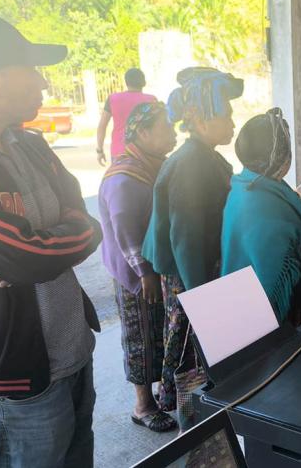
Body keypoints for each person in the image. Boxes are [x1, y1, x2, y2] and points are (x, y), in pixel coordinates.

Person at [0, 13, 102, 466]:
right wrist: (37, 247)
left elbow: (88, 222)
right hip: (15, 387)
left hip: (74, 356)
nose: (41, 82)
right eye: (29, 68)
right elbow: (25, 257)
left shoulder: (32, 146)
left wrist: (39, 246)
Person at [142, 67, 242, 427]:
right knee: (191, 358)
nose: (231, 122)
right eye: (226, 114)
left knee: (198, 358)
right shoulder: (190, 164)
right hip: (190, 277)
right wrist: (203, 299)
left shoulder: (204, 155)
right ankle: (196, 433)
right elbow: (186, 238)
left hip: (195, 273)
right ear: (200, 117)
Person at [221, 108, 301, 324]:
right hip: (265, 317)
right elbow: (278, 274)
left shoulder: (250, 183)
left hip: (250, 302)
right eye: (286, 149)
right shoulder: (260, 205)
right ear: (278, 156)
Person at [98, 102, 177, 432]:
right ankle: (143, 406)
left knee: (159, 331)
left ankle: (161, 393)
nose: (172, 133)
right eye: (166, 128)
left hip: (153, 269)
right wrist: (144, 272)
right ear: (143, 133)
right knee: (140, 338)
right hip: (136, 274)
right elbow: (124, 229)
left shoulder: (151, 164)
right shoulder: (125, 178)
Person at [96, 67, 157, 165]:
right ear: (143, 82)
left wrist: (100, 150)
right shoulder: (151, 100)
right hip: (145, 152)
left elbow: (102, 126)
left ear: (126, 82)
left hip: (119, 152)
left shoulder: (113, 99)